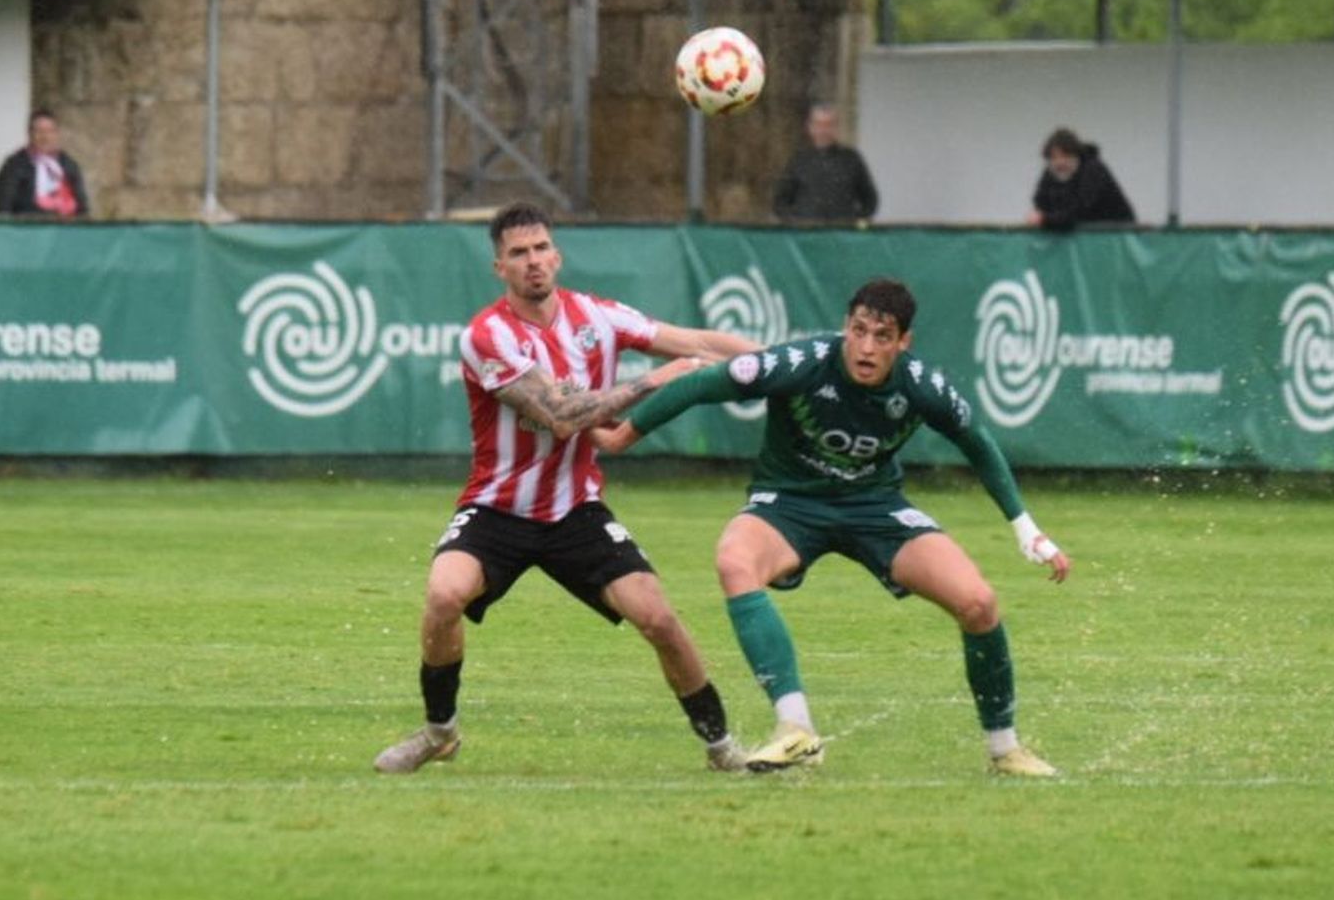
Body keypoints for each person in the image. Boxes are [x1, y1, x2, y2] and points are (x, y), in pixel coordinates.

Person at [592, 277, 1071, 777]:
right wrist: (624, 436)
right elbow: (700, 384)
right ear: (846, 327)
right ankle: (795, 728)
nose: (866, 347)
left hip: (876, 507)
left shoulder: (922, 385)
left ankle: (1005, 750)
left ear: (903, 342)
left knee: (979, 603)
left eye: (882, 337)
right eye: (858, 331)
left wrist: (1026, 528)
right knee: (735, 562)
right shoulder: (801, 363)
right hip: (789, 503)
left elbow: (978, 442)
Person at [374, 201, 763, 775]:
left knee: (658, 618)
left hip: (575, 508)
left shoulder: (597, 316)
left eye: (540, 249)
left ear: (556, 255)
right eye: (518, 253)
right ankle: (439, 732)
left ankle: (722, 748)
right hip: (497, 508)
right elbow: (560, 416)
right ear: (499, 268)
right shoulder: (487, 336)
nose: (532, 261)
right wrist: (656, 380)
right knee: (444, 596)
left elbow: (696, 342)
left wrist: (788, 361)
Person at [772, 103, 879, 224]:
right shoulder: (798, 160)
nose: (823, 130)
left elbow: (870, 200)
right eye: (819, 124)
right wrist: (795, 222)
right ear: (810, 127)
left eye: (829, 125)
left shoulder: (851, 159)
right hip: (807, 232)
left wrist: (855, 222)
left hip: (842, 231)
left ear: (836, 128)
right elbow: (780, 201)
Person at [1027, 127, 1134, 231]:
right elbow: (1040, 201)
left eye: (1065, 156)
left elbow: (1079, 212)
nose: (1060, 162)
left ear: (1076, 155)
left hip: (1117, 234)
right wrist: (1042, 217)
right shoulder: (1051, 171)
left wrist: (1046, 219)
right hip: (1086, 234)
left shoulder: (1093, 169)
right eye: (1054, 157)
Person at [0, 109, 89, 217]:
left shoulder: (68, 165)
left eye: (50, 131)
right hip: (27, 225)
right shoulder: (14, 165)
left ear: (57, 134)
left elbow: (82, 208)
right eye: (39, 131)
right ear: (30, 134)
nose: (45, 137)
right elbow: (2, 207)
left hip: (64, 225)